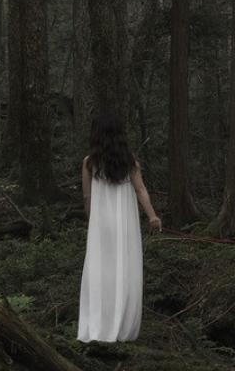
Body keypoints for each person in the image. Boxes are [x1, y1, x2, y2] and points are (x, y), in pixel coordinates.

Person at [77, 113, 161, 343]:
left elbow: (87, 198)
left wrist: (92, 221)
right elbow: (140, 190)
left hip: (101, 224)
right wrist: (152, 216)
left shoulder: (89, 162)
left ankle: (98, 326)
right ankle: (122, 326)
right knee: (124, 268)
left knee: (100, 270)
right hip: (125, 224)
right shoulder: (129, 161)